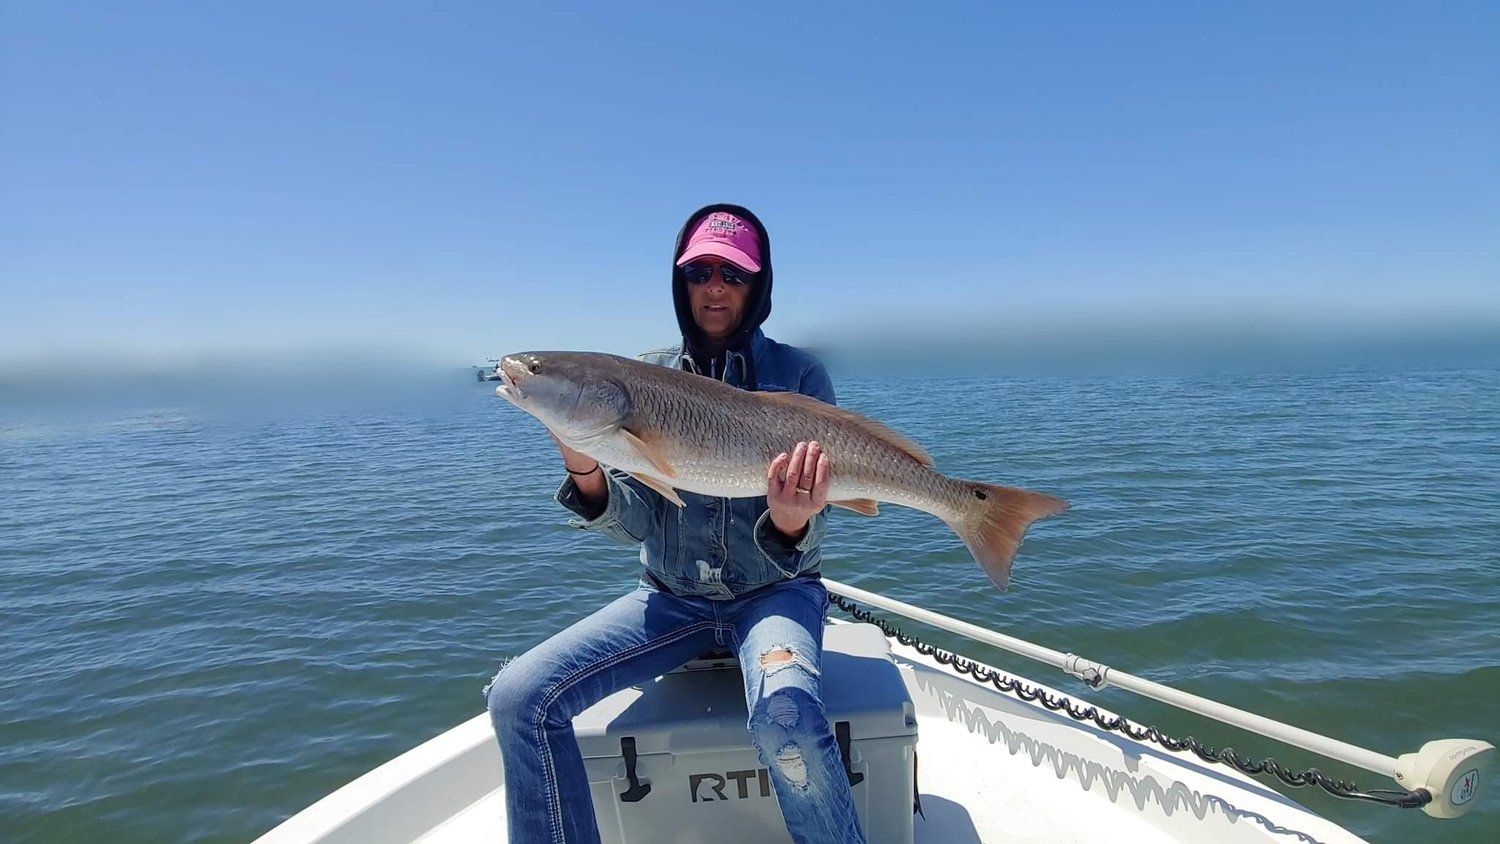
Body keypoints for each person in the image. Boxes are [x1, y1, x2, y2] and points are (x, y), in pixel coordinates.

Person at [484, 204, 865, 843]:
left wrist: (792, 523)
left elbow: (806, 547)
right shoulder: (643, 374)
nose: (714, 287)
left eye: (733, 275)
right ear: (680, 282)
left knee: (787, 711)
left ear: (758, 285)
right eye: (699, 272)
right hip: (669, 601)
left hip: (774, 595)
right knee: (519, 696)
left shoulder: (800, 375)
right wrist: (586, 469)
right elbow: (638, 523)